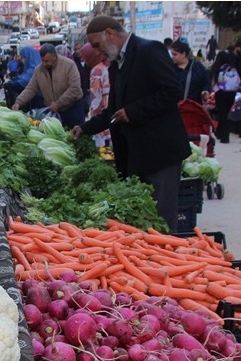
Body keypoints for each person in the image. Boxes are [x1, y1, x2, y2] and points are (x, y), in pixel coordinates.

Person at [71, 15, 190, 232]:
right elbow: (114, 111)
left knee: (162, 221)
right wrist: (85, 128)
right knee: (144, 223)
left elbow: (173, 91)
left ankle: (166, 262)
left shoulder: (149, 50)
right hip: (136, 155)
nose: (97, 52)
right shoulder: (116, 65)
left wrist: (133, 112)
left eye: (97, 45)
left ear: (109, 33)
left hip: (160, 152)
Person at [12, 43, 84, 128]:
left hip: (72, 111)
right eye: (42, 60)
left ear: (54, 56)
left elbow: (74, 89)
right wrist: (18, 102)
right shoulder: (38, 70)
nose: (44, 64)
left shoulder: (69, 65)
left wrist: (58, 103)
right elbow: (31, 89)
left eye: (47, 61)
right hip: (54, 113)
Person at [78, 43, 110, 148]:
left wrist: (94, 121)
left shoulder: (97, 70)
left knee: (103, 148)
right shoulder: (108, 65)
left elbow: (96, 98)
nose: (85, 61)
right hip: (110, 114)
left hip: (102, 116)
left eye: (85, 58)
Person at [209, 51, 239, 144]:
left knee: (222, 114)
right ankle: (220, 132)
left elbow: (213, 82)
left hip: (220, 93)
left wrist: (214, 91)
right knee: (225, 114)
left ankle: (224, 136)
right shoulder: (232, 68)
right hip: (232, 92)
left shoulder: (216, 68)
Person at [170, 40, 210, 105]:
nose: (172, 57)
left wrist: (205, 91)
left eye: (175, 54)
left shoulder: (197, 67)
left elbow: (206, 82)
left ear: (183, 54)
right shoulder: (170, 68)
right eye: (172, 54)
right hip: (175, 108)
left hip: (194, 108)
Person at [3, 46, 43, 110]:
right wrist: (13, 80)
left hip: (38, 99)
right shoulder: (29, 67)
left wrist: (10, 84)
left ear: (27, 57)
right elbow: (21, 77)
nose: (21, 60)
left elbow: (24, 82)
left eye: (22, 58)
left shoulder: (34, 69)